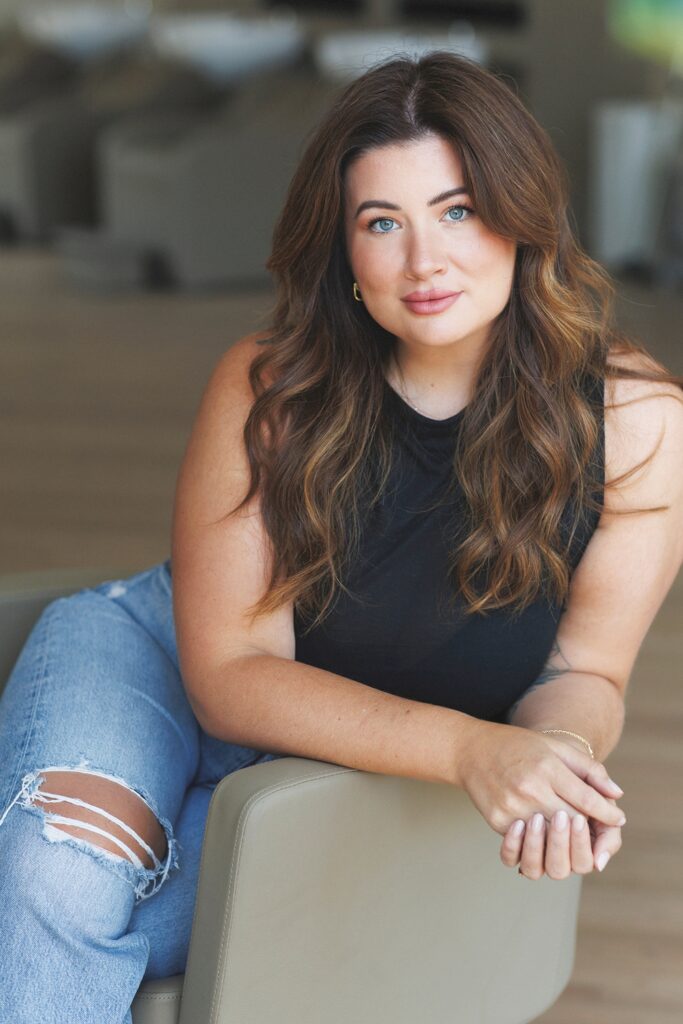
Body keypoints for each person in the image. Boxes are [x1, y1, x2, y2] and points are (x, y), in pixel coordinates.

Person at [1, 51, 682, 1023]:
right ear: (343, 252)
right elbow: (231, 670)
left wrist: (548, 759)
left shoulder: (638, 419)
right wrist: (469, 752)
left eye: (457, 209)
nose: (424, 260)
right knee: (56, 878)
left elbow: (583, 671)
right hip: (153, 661)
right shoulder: (272, 385)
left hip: (334, 772)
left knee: (58, 912)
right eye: (381, 224)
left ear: (521, 216)